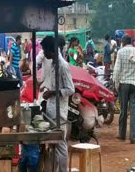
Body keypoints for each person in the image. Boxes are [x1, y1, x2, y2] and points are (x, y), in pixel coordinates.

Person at [39, 36, 74, 172]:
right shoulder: (53, 64)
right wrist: (46, 88)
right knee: (53, 145)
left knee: (60, 145)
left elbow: (70, 89)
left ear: (51, 50)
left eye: (44, 50)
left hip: (60, 112)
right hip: (52, 110)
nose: (43, 53)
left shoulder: (63, 66)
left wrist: (52, 93)